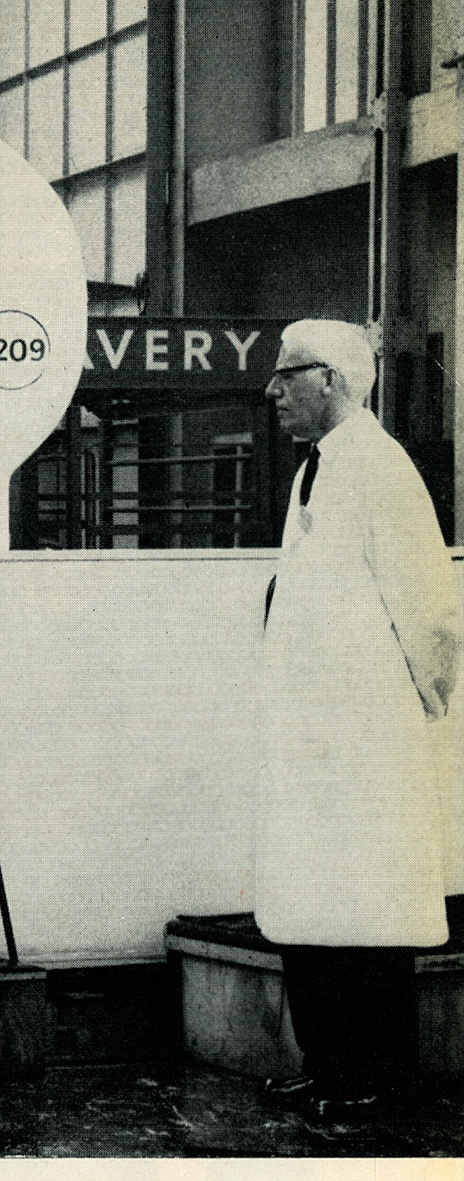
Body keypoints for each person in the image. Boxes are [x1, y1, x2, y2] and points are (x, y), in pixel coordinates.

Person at [255, 319, 460, 1119]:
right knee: (312, 905)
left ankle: (378, 1075)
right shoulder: (316, 471)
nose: (272, 390)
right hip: (311, 745)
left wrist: (409, 712)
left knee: (368, 912)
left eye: (286, 375)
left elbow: (432, 616)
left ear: (333, 380)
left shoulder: (381, 469)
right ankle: (328, 1062)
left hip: (365, 746)